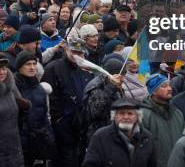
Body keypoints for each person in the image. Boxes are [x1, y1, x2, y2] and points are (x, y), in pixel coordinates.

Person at [42, 38, 94, 167]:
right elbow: (49, 96)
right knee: (65, 159)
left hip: (82, 123)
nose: (76, 56)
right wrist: (58, 118)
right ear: (67, 50)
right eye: (74, 52)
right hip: (63, 124)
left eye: (80, 53)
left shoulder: (86, 68)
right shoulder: (53, 68)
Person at [83, 98, 156, 167]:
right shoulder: (101, 136)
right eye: (121, 113)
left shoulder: (146, 137)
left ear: (138, 116)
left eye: (130, 113)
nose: (126, 117)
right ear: (114, 117)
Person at [15, 51, 56, 166]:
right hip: (20, 143)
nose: (32, 67)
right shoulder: (13, 87)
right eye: (28, 64)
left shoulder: (39, 88)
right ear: (19, 67)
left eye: (34, 64)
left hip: (37, 142)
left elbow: (44, 116)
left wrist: (49, 137)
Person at [140, 73, 185, 166]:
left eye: (169, 85)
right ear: (153, 91)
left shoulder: (177, 113)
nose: (169, 89)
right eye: (163, 86)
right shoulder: (143, 115)